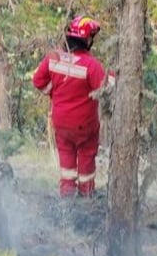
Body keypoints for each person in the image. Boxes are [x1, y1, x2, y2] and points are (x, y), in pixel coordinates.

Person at [32, 15, 113, 198]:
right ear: (87, 40)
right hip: (85, 126)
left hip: (60, 124)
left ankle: (67, 201)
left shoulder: (54, 58)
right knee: (86, 160)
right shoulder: (91, 65)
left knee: (67, 164)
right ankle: (86, 196)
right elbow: (105, 87)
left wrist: (53, 91)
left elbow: (38, 81)